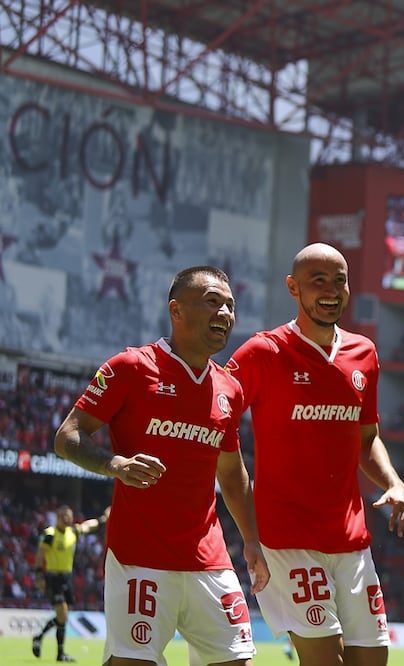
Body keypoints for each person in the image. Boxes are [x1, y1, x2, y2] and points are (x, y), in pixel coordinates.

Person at [53, 265, 269, 666]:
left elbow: (233, 473)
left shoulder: (229, 389)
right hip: (140, 555)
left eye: (230, 306)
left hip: (211, 559)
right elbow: (67, 436)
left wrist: (252, 541)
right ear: (177, 310)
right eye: (212, 302)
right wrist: (113, 463)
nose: (224, 313)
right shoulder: (130, 367)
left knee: (237, 661)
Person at [225, 242, 404, 666]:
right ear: (293, 288)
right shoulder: (263, 352)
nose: (332, 290)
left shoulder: (363, 353)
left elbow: (366, 438)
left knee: (372, 660)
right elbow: (214, 411)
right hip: (287, 536)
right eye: (318, 281)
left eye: (340, 280)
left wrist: (394, 482)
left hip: (351, 539)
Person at [31, 504, 110, 662]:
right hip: (53, 578)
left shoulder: (72, 532)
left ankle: (40, 638)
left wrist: (103, 519)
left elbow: (87, 526)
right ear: (58, 518)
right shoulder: (50, 534)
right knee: (63, 613)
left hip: (67, 578)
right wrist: (39, 576)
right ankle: (59, 653)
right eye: (64, 516)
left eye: (69, 516)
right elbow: (40, 556)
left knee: (63, 616)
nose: (67, 519)